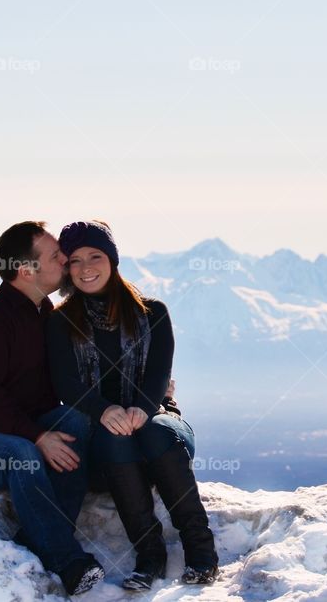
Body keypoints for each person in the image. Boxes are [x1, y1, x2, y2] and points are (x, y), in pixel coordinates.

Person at [46, 220, 219, 591]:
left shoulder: (151, 312)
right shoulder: (60, 321)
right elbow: (66, 383)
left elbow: (159, 373)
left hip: (157, 416)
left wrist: (142, 407)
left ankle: (201, 552)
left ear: (112, 259)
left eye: (95, 256)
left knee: (156, 432)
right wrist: (104, 410)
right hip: (102, 431)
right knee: (113, 439)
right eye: (75, 260)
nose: (86, 267)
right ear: (67, 268)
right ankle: (150, 556)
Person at [0, 221, 104, 596]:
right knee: (22, 452)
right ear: (26, 270)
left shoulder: (47, 313)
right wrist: (37, 436)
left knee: (74, 422)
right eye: (56, 256)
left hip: (29, 430)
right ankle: (68, 562)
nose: (66, 261)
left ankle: (32, 542)